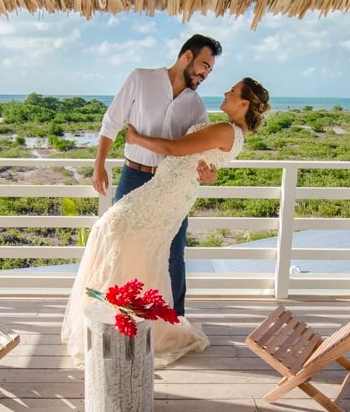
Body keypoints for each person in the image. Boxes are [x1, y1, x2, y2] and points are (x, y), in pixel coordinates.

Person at [61, 77, 271, 368]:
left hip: (167, 194)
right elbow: (203, 158)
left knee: (114, 230)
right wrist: (210, 172)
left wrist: (135, 139)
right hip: (167, 189)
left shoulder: (227, 129)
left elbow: (175, 148)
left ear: (244, 103)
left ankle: (130, 321)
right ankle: (119, 319)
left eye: (232, 91)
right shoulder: (229, 131)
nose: (225, 92)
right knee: (123, 238)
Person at [92, 34, 223, 317]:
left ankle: (175, 319)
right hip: (133, 177)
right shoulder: (141, 79)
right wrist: (99, 163)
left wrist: (208, 173)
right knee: (121, 245)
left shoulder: (197, 107)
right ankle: (119, 314)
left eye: (210, 70)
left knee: (174, 254)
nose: (205, 74)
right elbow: (111, 121)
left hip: (171, 186)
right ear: (187, 56)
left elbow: (201, 152)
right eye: (204, 65)